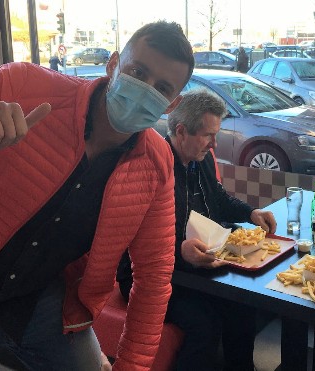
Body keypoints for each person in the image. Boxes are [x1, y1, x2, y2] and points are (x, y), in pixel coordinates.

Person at [0, 20, 194, 371]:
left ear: (171, 105)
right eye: (137, 71)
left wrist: (132, 365)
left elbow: (153, 273)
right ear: (113, 65)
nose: (144, 89)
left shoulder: (156, 163)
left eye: (162, 88)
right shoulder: (25, 86)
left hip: (37, 302)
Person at [117, 88, 277, 371]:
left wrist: (251, 212)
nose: (214, 144)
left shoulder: (199, 161)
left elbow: (219, 199)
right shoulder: (151, 167)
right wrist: (179, 250)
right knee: (205, 322)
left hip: (194, 266)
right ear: (181, 132)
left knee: (242, 306)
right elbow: (131, 237)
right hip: (147, 275)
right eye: (208, 135)